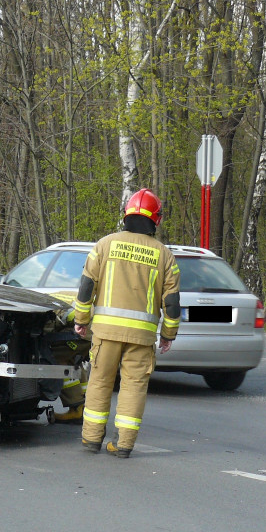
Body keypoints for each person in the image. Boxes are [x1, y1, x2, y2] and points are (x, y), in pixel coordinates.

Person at [73, 189, 180, 458]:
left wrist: (81, 320)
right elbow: (173, 303)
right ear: (156, 218)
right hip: (141, 338)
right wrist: (168, 334)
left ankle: (91, 439)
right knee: (134, 386)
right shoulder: (164, 255)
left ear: (126, 214)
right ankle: (123, 444)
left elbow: (86, 287)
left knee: (99, 382)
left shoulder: (105, 245)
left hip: (106, 333)